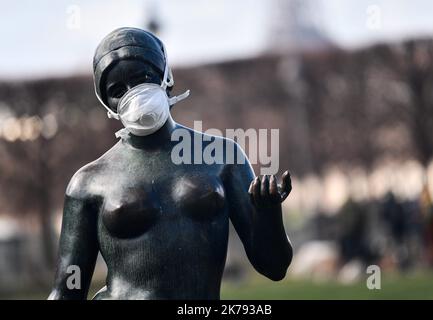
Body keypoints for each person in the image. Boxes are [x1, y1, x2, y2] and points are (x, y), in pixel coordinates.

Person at [48, 27, 292, 300]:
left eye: (142, 78)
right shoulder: (89, 183)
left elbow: (274, 266)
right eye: (117, 90)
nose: (133, 94)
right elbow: (67, 289)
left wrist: (269, 215)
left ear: (167, 77)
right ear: (107, 103)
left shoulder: (223, 157)